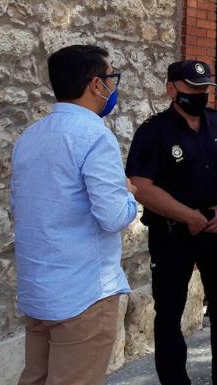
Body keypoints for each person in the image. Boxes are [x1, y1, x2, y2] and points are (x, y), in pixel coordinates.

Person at [10, 44, 138, 385]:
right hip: (84, 293)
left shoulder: (30, 136)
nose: (113, 86)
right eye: (111, 77)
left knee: (35, 378)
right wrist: (129, 195)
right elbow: (112, 216)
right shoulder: (95, 136)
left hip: (39, 288)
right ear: (96, 84)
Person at [125, 60, 217, 385]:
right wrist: (188, 216)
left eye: (204, 88)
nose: (200, 94)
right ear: (171, 89)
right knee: (169, 313)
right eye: (191, 88)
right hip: (172, 233)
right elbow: (140, 185)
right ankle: (174, 379)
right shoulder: (153, 131)